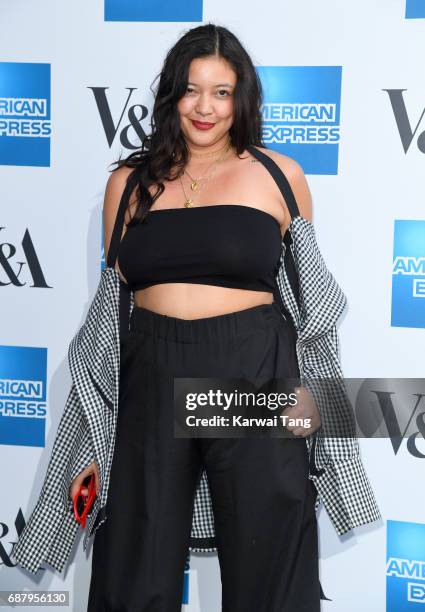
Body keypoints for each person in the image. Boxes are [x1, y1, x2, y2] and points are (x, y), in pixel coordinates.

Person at [72, 23, 324, 611]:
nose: (205, 107)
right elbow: (108, 316)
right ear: (171, 97)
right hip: (151, 368)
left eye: (222, 92)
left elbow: (316, 309)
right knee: (134, 560)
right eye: (191, 90)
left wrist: (323, 419)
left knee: (268, 559)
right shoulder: (128, 183)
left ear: (242, 98)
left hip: (251, 370)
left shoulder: (278, 177)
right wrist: (89, 431)